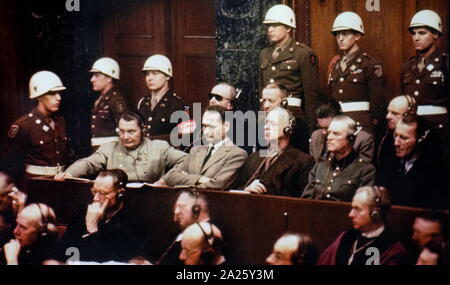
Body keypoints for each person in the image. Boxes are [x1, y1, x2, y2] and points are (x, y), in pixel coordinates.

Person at [55, 112, 187, 182]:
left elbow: (186, 160)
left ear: (143, 130)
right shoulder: (109, 149)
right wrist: (69, 173)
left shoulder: (159, 148)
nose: (125, 136)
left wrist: (167, 179)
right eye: (122, 131)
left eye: (131, 131)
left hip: (152, 200)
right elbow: (87, 163)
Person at [259, 4, 323, 133]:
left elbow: (311, 96)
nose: (270, 30)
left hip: (292, 117)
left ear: (288, 27)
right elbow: (262, 90)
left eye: (275, 25)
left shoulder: (303, 53)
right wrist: (261, 121)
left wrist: (310, 129)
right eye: (268, 26)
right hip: (268, 117)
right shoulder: (264, 54)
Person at [56, 170, 144, 263]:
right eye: (94, 191)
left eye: (102, 193)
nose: (95, 198)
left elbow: (112, 260)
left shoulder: (132, 220)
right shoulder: (82, 211)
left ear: (120, 193)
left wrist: (92, 228)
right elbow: (65, 250)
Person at [232, 107, 314, 197]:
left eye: (273, 124)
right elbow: (237, 187)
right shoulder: (254, 157)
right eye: (266, 123)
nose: (266, 127)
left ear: (288, 129)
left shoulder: (302, 161)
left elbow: (303, 199)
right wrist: (246, 190)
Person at [159, 105, 247, 189]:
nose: (207, 131)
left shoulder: (237, 154)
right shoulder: (195, 150)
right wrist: (199, 179)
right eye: (204, 126)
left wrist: (185, 179)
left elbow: (219, 185)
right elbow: (170, 177)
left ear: (226, 126)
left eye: (212, 127)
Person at [1, 71, 68, 182]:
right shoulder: (24, 125)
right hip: (35, 186)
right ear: (39, 96)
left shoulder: (60, 122)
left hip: (61, 184)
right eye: (52, 93)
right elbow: (10, 164)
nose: (58, 98)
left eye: (59, 93)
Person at [327, 12, 385, 135]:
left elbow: (378, 102)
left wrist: (372, 124)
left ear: (357, 35)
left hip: (360, 125)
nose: (340, 38)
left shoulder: (368, 64)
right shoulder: (335, 64)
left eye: (345, 34)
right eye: (337, 34)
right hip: (338, 124)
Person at [401, 10, 448, 160]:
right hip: (413, 132)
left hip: (439, 131)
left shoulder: (445, 63)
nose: (416, 38)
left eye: (422, 33)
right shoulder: (408, 66)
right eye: (414, 34)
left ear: (435, 34)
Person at [318, 186, 407, 265]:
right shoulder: (346, 237)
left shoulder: (392, 249)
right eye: (352, 208)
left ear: (375, 214)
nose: (350, 214)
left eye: (357, 209)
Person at [377, 114, 447, 209]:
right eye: (395, 136)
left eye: (404, 138)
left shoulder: (433, 171)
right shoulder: (389, 163)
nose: (396, 143)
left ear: (420, 139)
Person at [302, 115, 375, 201]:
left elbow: (362, 205)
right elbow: (306, 200)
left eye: (336, 134)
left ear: (350, 138)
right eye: (329, 133)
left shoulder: (365, 170)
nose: (329, 137)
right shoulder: (319, 167)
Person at [157, 190, 211, 265]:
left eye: (182, 207)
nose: (176, 212)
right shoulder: (179, 233)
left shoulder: (205, 237)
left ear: (196, 210)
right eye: (176, 207)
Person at [137, 54, 185, 136]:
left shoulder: (177, 105)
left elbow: (183, 140)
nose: (149, 78)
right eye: (147, 74)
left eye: (155, 73)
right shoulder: (143, 102)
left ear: (167, 76)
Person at [89, 57, 128, 147]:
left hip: (111, 151)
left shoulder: (116, 100)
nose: (92, 79)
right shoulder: (99, 100)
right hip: (99, 150)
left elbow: (124, 127)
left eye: (97, 75)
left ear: (109, 78)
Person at [260, 83, 309, 153]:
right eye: (264, 100)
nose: (266, 105)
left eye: (271, 101)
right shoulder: (260, 125)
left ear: (284, 102)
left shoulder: (299, 127)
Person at [375, 95, 417, 169]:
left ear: (410, 114)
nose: (388, 116)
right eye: (388, 112)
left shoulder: (422, 140)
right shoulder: (384, 138)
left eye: (394, 113)